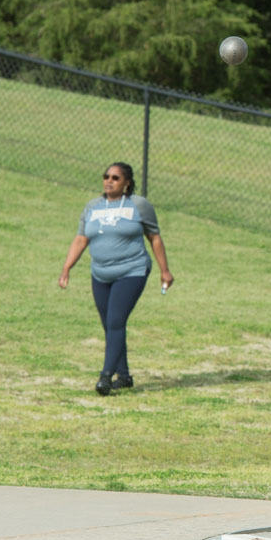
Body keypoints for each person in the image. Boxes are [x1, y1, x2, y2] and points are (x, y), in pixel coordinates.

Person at [59, 162, 173, 395]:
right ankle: (124, 375)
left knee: (115, 321)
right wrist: (67, 267)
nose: (109, 181)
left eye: (115, 178)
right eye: (106, 176)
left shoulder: (139, 205)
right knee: (109, 325)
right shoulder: (92, 206)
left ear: (127, 183)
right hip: (100, 273)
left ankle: (105, 377)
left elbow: (155, 238)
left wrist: (165, 270)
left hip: (132, 270)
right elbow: (81, 239)